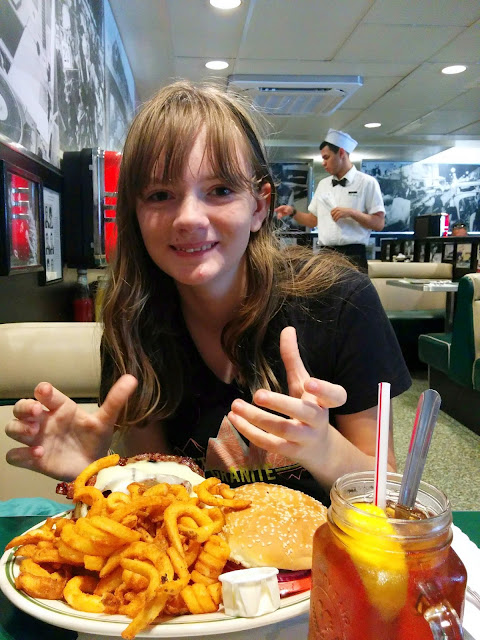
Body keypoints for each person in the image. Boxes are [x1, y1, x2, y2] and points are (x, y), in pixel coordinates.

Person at [5, 82, 411, 505]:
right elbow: (157, 502)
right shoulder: (135, 322)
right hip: (198, 548)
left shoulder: (341, 299)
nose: (189, 218)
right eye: (160, 195)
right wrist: (99, 473)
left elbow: (386, 496)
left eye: (220, 190)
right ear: (135, 215)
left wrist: (325, 448)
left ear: (259, 206)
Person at [275, 128, 385, 271]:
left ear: (341, 153)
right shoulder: (323, 184)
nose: (323, 163)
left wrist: (352, 213)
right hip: (325, 253)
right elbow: (313, 221)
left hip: (353, 254)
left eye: (326, 157)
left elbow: (379, 223)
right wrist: (292, 212)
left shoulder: (367, 182)